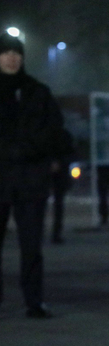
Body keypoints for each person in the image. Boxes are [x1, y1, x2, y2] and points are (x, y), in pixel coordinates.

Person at [0, 33, 64, 318]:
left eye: (16, 53)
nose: (11, 59)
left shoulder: (37, 92)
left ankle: (34, 300)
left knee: (31, 245)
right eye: (6, 53)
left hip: (30, 180)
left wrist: (31, 151)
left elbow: (53, 130)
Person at [50, 126, 76, 243]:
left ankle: (56, 232)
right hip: (60, 171)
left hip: (53, 171)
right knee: (58, 203)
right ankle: (56, 233)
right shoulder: (63, 134)